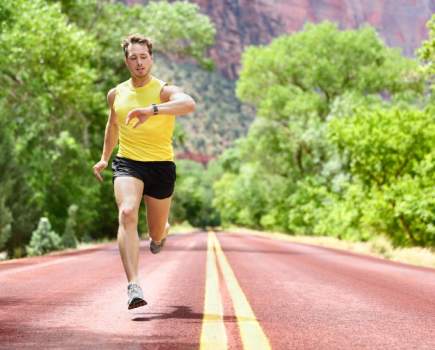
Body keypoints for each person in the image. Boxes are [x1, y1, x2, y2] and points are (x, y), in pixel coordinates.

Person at [92, 34, 196, 310]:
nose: (139, 63)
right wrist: (104, 158)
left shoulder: (163, 90)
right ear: (126, 61)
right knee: (127, 212)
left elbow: (189, 104)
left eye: (143, 57)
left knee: (156, 234)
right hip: (128, 162)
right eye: (133, 58)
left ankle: (160, 235)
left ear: (151, 58)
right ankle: (134, 286)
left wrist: (153, 110)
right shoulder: (116, 93)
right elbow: (112, 126)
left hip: (161, 166)